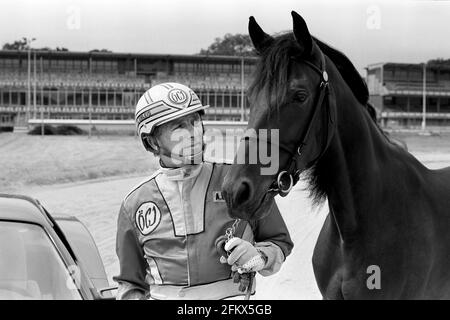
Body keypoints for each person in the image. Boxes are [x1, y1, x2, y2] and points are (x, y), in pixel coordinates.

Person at [113, 82, 293, 300]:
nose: (192, 133)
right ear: (152, 142)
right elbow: (130, 284)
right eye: (178, 127)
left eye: (195, 121)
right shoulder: (134, 204)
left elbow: (279, 241)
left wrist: (260, 256)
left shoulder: (241, 182)